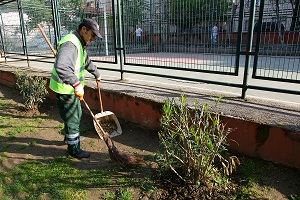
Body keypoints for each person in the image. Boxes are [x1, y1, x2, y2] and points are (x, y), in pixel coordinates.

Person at [49, 18, 102, 159]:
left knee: (75, 115)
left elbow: (85, 60)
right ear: (84, 29)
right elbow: (62, 67)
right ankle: (74, 149)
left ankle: (69, 138)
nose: (94, 38)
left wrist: (96, 72)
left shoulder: (79, 42)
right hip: (65, 88)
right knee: (73, 118)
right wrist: (77, 84)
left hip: (69, 88)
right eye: (92, 35)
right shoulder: (70, 44)